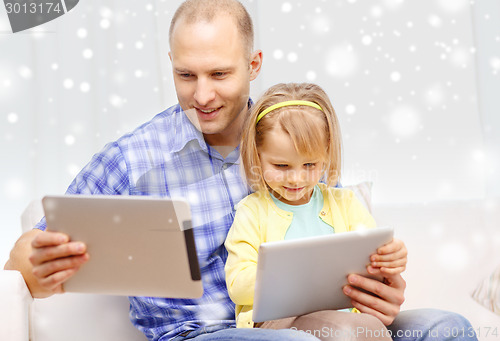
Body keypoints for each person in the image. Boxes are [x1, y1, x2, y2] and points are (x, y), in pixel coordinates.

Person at [4, 0, 477, 340]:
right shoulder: (133, 159)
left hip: (314, 322)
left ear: (253, 65)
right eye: (186, 75)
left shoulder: (292, 140)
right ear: (169, 65)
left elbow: (335, 248)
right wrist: (34, 266)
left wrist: (380, 294)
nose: (202, 95)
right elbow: (25, 258)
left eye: (219, 74)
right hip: (200, 334)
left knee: (448, 328)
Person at [224, 82, 407, 338]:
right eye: (281, 165)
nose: (296, 179)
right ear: (257, 155)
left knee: (364, 327)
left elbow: (372, 259)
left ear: (327, 154)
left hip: (346, 320)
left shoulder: (345, 203)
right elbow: (237, 286)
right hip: (278, 324)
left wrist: (391, 258)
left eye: (309, 164)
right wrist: (294, 275)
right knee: (352, 330)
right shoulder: (252, 212)